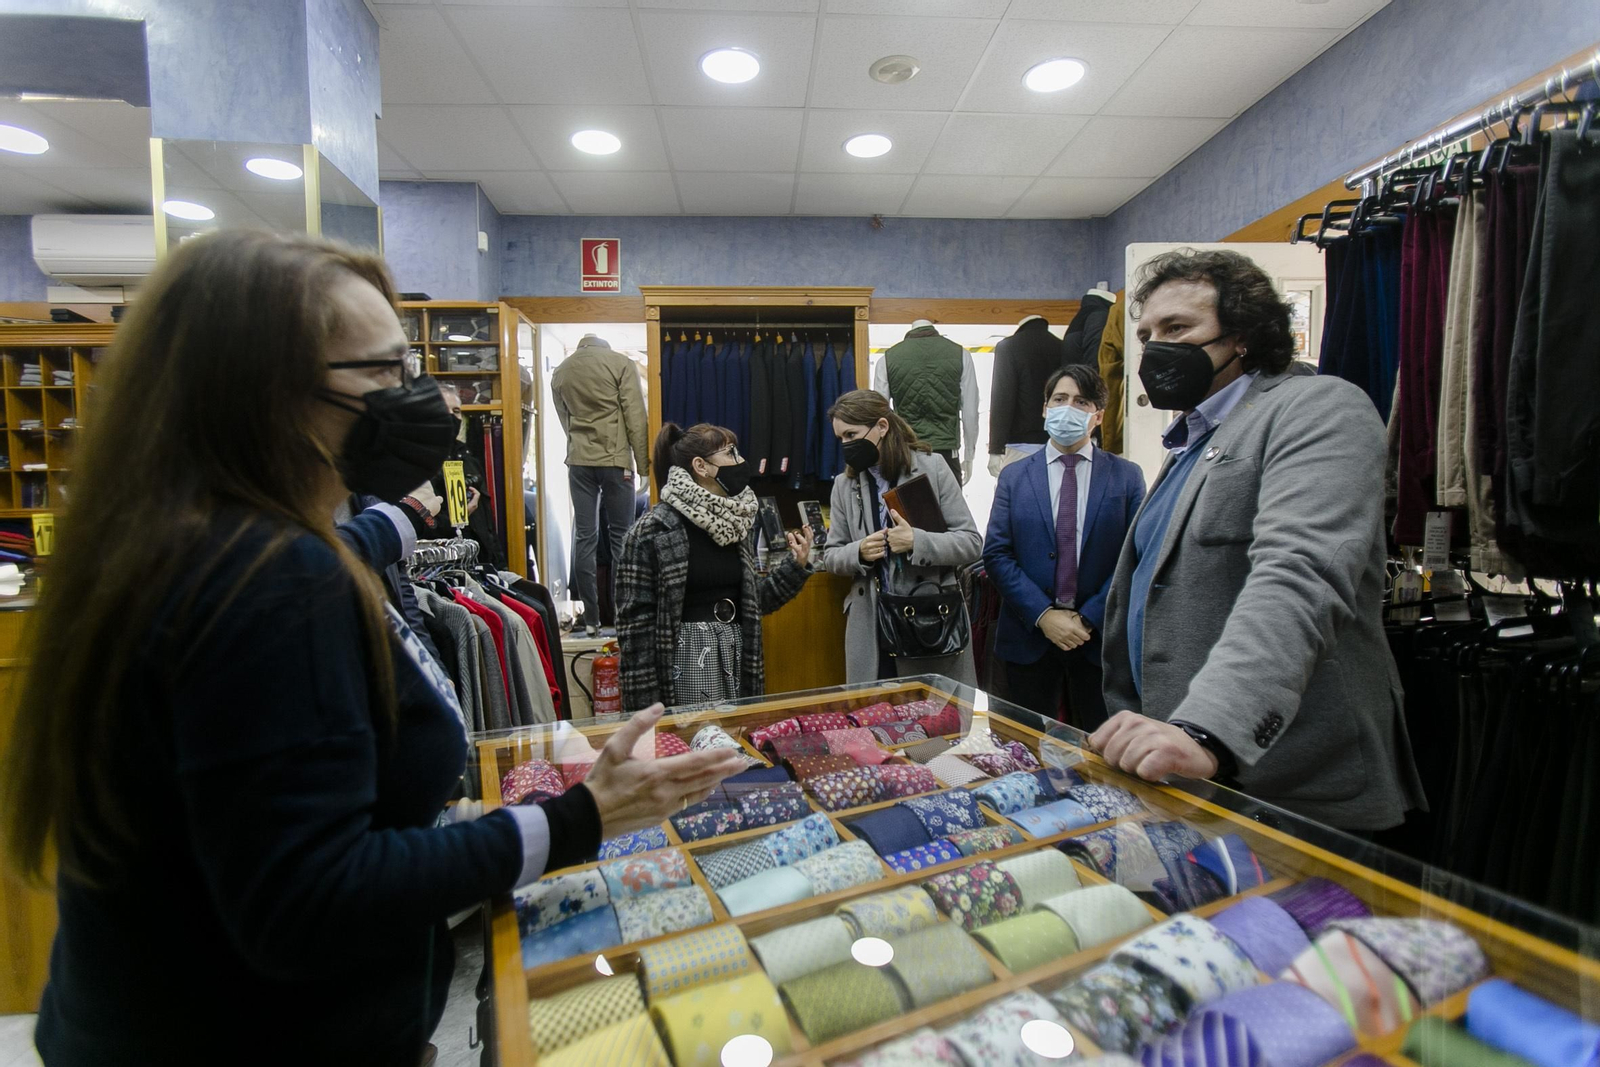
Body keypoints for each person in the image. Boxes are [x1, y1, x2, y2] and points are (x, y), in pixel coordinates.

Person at [0, 232, 744, 1065]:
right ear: (269, 394)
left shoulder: (190, 542)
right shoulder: (268, 577)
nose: (431, 400)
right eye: (386, 371)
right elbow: (310, 896)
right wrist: (580, 817)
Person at [1092, 248, 1424, 832]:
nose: (1155, 348)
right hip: (1192, 784)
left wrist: (1209, 728)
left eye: (1179, 328)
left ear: (1242, 335)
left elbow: (1301, 575)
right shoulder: (1192, 440)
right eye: (1147, 334)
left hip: (1294, 784)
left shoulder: (1319, 408)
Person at [983, 365, 1145, 730]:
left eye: (1081, 401)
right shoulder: (1014, 476)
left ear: (1098, 416)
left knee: (1103, 752)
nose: (1067, 408)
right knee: (1023, 749)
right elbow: (996, 553)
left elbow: (1135, 556)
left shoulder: (1126, 475)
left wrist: (1087, 617)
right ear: (1045, 409)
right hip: (1029, 636)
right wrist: (1044, 615)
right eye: (1060, 399)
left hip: (1098, 640)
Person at [616, 423, 813, 711]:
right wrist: (645, 711)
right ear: (701, 466)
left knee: (737, 749)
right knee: (694, 750)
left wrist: (795, 567)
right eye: (730, 453)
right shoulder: (653, 530)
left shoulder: (735, 524)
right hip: (685, 664)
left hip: (737, 656)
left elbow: (754, 603)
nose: (740, 461)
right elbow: (635, 629)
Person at [821, 389, 982, 685]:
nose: (846, 445)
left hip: (929, 620)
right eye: (841, 438)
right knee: (876, 722)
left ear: (882, 427)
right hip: (872, 629)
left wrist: (917, 542)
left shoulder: (932, 469)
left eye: (851, 434)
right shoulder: (845, 484)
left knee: (932, 722)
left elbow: (971, 542)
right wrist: (858, 552)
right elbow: (831, 556)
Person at [550, 333, 648, 635]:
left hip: (579, 461)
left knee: (585, 537)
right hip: (616, 461)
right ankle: (622, 617)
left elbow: (564, 417)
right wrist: (643, 464)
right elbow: (635, 416)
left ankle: (591, 619)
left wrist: (578, 443)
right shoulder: (620, 363)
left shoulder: (562, 370)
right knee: (622, 538)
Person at [424, 381, 506, 569]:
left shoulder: (468, 458)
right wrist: (454, 520)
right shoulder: (416, 462)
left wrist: (500, 567)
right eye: (443, 410)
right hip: (438, 566)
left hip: (478, 562)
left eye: (456, 411)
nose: (451, 417)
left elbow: (488, 525)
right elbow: (418, 524)